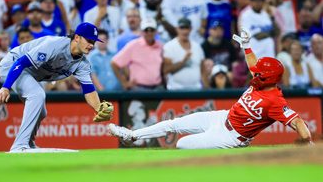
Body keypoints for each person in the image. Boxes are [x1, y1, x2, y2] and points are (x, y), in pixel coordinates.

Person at [108, 29, 313, 149]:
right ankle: (131, 135)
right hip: (222, 118)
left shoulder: (275, 100)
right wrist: (247, 46)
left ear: (268, 77)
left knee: (181, 144)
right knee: (173, 123)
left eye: (259, 73)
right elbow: (253, 64)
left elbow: (297, 122)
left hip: (231, 137)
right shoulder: (262, 80)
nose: (254, 73)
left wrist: (308, 144)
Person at [0, 22, 114, 152]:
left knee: (42, 111)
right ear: (77, 37)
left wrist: (97, 108)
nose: (91, 45)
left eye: (94, 42)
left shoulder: (82, 64)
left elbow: (89, 89)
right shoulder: (54, 45)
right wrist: (6, 87)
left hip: (31, 74)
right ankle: (19, 145)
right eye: (88, 40)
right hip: (12, 66)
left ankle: (29, 143)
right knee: (37, 96)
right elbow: (21, 62)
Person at [111, 18, 163, 91]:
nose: (149, 33)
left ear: (156, 32)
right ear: (141, 32)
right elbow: (114, 63)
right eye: (146, 30)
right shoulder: (133, 45)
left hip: (157, 88)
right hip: (138, 88)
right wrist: (124, 83)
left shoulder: (160, 46)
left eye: (152, 30)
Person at [163, 18, 206, 90]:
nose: (185, 31)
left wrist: (207, 90)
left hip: (196, 89)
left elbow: (203, 71)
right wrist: (183, 62)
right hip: (176, 89)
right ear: (177, 29)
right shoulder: (169, 46)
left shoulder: (197, 47)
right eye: (182, 28)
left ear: (190, 29)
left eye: (187, 28)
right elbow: (165, 70)